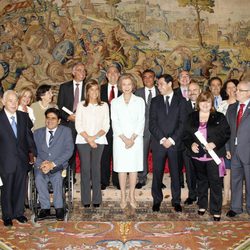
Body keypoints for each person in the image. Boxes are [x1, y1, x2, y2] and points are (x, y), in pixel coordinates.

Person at [183, 91, 230, 221]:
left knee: (215, 183)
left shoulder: (219, 117)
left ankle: (216, 210)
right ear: (199, 102)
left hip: (213, 156)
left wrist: (215, 144)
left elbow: (226, 134)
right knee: (201, 181)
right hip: (198, 156)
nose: (205, 104)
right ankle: (202, 205)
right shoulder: (191, 116)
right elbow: (185, 134)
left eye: (208, 101)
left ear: (212, 103)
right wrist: (191, 144)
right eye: (203, 101)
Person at [149, 74, 186, 213]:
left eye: (161, 84)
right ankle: (156, 200)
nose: (159, 87)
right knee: (157, 173)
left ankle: (176, 201)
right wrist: (163, 139)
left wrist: (171, 140)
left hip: (175, 144)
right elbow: (152, 124)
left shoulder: (181, 101)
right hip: (159, 143)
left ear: (170, 84)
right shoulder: (155, 101)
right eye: (158, 85)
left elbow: (183, 124)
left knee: (176, 174)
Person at [0, 90, 36, 227]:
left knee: (20, 188)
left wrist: (34, 153)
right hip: (5, 161)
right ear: (3, 102)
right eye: (10, 101)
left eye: (16, 101)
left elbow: (28, 137)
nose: (14, 104)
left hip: (21, 160)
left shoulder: (23, 116)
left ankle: (19, 213)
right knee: (7, 189)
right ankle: (8, 215)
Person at [111, 73, 145, 209]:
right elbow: (115, 122)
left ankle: (132, 195)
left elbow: (141, 121)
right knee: (122, 168)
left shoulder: (140, 101)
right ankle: (123, 196)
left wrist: (132, 139)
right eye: (124, 84)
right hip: (120, 140)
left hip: (135, 140)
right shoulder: (115, 102)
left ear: (133, 85)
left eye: (129, 84)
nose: (126, 87)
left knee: (133, 168)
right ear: (120, 86)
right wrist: (125, 139)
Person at [33, 108, 74, 220]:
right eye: (48, 118)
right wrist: (41, 164)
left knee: (57, 178)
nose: (50, 120)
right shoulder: (37, 133)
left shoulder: (66, 131)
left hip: (58, 166)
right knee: (38, 177)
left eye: (53, 118)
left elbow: (69, 151)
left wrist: (53, 164)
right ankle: (45, 208)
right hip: (42, 165)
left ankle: (59, 208)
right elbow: (34, 152)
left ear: (59, 121)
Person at [75, 79, 110, 208]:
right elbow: (78, 124)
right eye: (91, 89)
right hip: (83, 140)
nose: (94, 92)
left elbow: (106, 125)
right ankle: (85, 200)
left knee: (96, 169)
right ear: (87, 91)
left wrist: (94, 138)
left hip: (99, 141)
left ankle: (96, 199)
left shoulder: (104, 105)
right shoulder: (81, 105)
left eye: (96, 89)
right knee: (85, 169)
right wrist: (89, 139)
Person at [57, 62, 86, 181]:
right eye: (79, 70)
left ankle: (86, 178)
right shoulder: (64, 87)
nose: (82, 72)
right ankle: (68, 177)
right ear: (73, 72)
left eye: (84, 71)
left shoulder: (88, 87)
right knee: (69, 152)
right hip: (68, 124)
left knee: (84, 154)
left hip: (84, 126)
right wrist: (68, 117)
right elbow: (60, 106)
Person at [226, 80, 250, 217]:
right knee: (235, 180)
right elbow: (228, 131)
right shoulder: (232, 108)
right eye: (237, 90)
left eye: (240, 90)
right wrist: (228, 148)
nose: (236, 92)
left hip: (248, 151)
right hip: (234, 152)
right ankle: (235, 207)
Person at [134, 69, 159, 189]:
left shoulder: (161, 91)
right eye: (145, 77)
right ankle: (142, 178)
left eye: (150, 77)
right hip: (143, 130)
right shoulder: (137, 93)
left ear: (154, 78)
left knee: (159, 155)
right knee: (142, 154)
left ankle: (158, 179)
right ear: (142, 79)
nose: (148, 79)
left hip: (159, 130)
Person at [100, 64, 122, 190]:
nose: (113, 74)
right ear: (107, 75)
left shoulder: (123, 89)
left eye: (115, 72)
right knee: (104, 155)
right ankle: (104, 181)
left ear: (119, 75)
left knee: (118, 155)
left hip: (119, 129)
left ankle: (117, 181)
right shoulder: (100, 89)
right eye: (110, 72)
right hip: (104, 128)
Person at [217, 79, 239, 205]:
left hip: (240, 143)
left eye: (234, 87)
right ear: (225, 90)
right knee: (227, 170)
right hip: (225, 142)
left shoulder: (243, 104)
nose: (231, 90)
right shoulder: (222, 105)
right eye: (228, 88)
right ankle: (225, 196)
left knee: (238, 170)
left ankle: (236, 196)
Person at [183, 80, 201, 205]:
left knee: (201, 171)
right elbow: (182, 126)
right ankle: (192, 194)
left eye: (195, 90)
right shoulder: (182, 106)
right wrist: (190, 143)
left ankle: (202, 195)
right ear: (187, 93)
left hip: (203, 145)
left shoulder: (206, 105)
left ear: (200, 91)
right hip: (187, 143)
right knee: (189, 171)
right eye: (190, 90)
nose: (192, 92)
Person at [174, 70, 191, 188]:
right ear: (178, 80)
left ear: (190, 79)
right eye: (182, 77)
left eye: (187, 76)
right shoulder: (173, 94)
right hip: (177, 133)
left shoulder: (195, 92)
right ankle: (179, 183)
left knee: (190, 163)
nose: (184, 78)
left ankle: (191, 186)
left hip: (191, 135)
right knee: (177, 162)